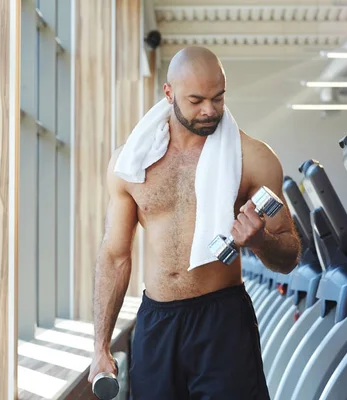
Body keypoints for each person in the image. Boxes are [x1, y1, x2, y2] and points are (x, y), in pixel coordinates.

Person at [87, 46, 301, 399]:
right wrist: (100, 347)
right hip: (157, 322)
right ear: (169, 94)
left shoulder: (254, 159)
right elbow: (114, 256)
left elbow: (289, 255)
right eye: (197, 100)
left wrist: (262, 241)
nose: (209, 110)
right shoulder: (130, 163)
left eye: (218, 99)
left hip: (222, 320)